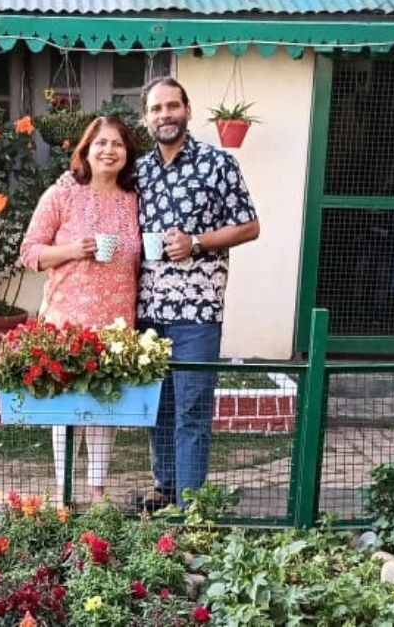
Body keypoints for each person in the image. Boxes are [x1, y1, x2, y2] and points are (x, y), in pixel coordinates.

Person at [135, 77, 260, 511]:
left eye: (172, 106)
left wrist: (198, 243)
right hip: (147, 309)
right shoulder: (139, 171)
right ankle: (164, 488)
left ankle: (191, 507)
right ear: (146, 117)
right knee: (157, 407)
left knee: (191, 409)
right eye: (156, 109)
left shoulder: (218, 164)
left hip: (197, 311)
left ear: (187, 110)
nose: (164, 115)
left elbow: (249, 226)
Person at [19, 116, 141, 505]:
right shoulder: (62, 194)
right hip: (66, 320)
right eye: (101, 143)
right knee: (66, 408)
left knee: (106, 405)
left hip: (117, 322)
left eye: (118, 144)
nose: (109, 151)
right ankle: (63, 489)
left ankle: (97, 489)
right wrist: (73, 251)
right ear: (86, 150)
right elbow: (30, 252)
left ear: (127, 153)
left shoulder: (133, 199)